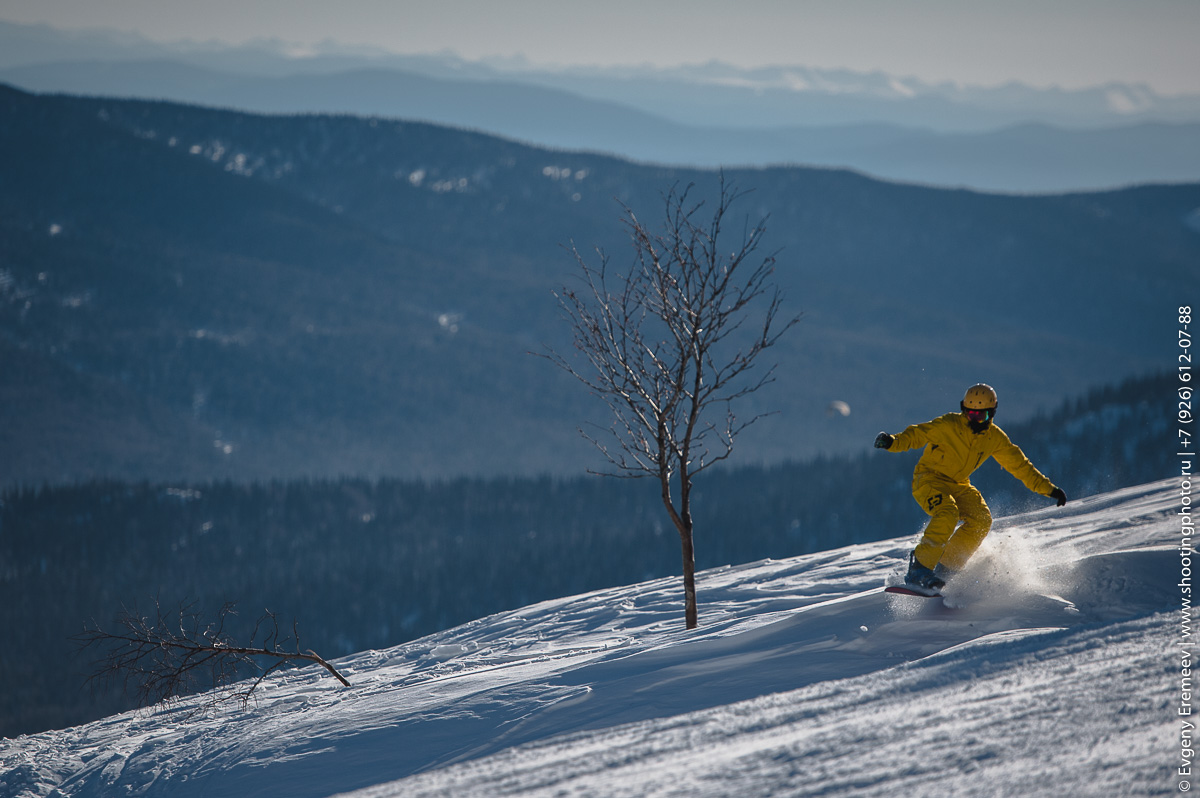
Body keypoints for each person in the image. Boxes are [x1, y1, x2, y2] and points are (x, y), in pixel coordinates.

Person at [874, 383, 1067, 594]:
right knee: (947, 512)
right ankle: (919, 569)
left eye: (980, 416)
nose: (973, 420)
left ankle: (944, 571)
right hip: (929, 479)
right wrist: (893, 442)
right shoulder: (948, 424)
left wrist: (1049, 489)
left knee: (981, 520)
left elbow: (1020, 466)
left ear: (991, 414)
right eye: (969, 414)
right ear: (963, 410)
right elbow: (918, 434)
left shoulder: (994, 438)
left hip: (958, 484)